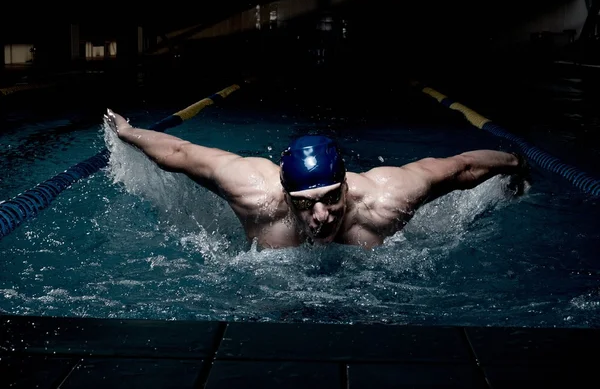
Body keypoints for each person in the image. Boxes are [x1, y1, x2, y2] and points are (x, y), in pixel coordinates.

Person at [104, 109, 529, 250]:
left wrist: (513, 161)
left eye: (330, 198)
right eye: (304, 203)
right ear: (284, 194)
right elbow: (179, 154)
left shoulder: (386, 198)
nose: (320, 216)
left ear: (347, 186)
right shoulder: (254, 193)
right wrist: (127, 132)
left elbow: (461, 168)